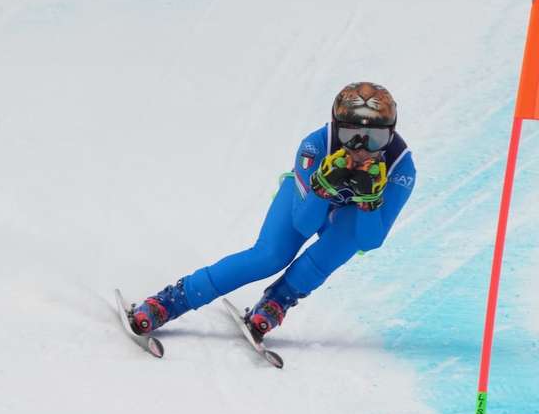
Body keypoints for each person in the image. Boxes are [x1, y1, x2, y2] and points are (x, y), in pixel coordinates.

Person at [128, 82, 416, 341]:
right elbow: (303, 223)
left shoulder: (401, 167)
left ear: (390, 136)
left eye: (374, 139)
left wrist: (368, 202)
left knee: (334, 249)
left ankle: (278, 300)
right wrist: (321, 188)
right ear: (335, 127)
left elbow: (369, 241)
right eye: (351, 135)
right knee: (268, 257)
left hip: (349, 214)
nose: (361, 149)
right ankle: (171, 301)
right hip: (306, 200)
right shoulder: (316, 145)